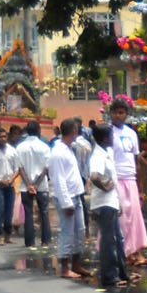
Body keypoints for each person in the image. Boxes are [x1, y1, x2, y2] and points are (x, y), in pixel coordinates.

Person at [106, 100, 147, 266]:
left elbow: (136, 159)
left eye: (122, 112)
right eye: (115, 112)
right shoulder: (107, 133)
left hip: (131, 178)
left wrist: (139, 186)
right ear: (110, 113)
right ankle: (122, 252)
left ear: (126, 114)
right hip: (115, 179)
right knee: (121, 217)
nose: (118, 115)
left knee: (134, 215)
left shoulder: (132, 133)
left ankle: (136, 251)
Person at [88, 123, 128, 290]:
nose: (113, 138)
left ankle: (122, 273)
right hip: (104, 204)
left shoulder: (107, 152)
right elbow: (94, 176)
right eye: (111, 135)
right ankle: (109, 276)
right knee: (108, 240)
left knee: (117, 239)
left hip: (111, 202)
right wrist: (104, 186)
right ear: (105, 138)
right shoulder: (98, 155)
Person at [48, 119, 87, 278]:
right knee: (67, 232)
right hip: (67, 198)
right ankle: (64, 267)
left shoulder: (69, 148)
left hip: (76, 194)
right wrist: (66, 202)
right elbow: (59, 180)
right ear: (74, 131)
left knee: (80, 231)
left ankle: (76, 264)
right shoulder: (58, 152)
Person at [13, 121, 52, 248]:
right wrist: (36, 184)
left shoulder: (20, 147)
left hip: (25, 186)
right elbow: (47, 168)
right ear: (39, 131)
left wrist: (29, 184)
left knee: (28, 213)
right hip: (41, 185)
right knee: (44, 212)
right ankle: (45, 241)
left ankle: (29, 242)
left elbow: (20, 168)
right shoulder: (45, 147)